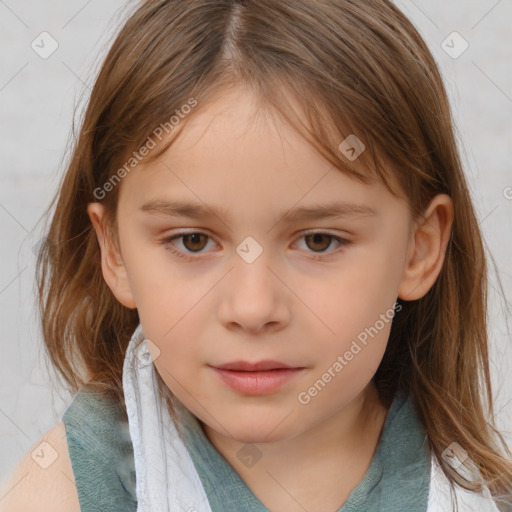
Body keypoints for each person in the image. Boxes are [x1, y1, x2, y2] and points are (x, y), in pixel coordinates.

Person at [1, 0, 511, 511]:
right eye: (192, 241)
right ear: (113, 251)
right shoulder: (68, 490)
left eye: (318, 241)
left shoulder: (478, 497)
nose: (252, 308)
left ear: (418, 251)